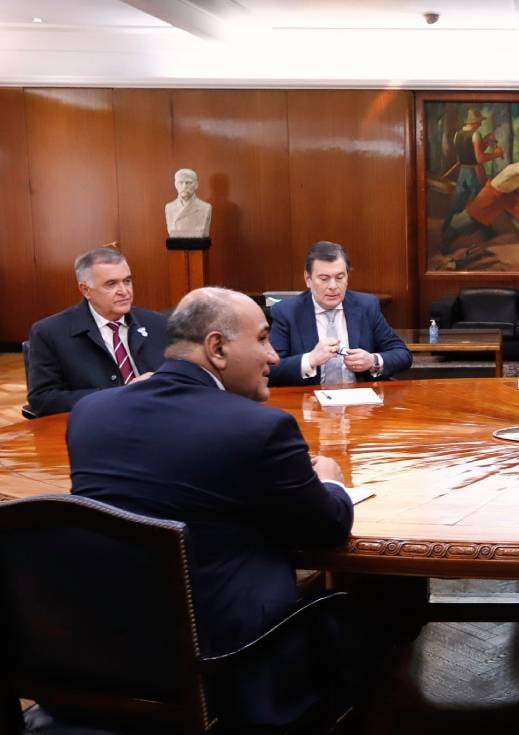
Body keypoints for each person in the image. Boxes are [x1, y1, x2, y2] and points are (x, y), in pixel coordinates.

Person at [67, 287, 354, 726]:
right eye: (261, 339)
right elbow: (327, 528)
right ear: (217, 347)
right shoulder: (260, 428)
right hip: (224, 656)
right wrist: (331, 483)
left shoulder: (91, 413)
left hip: (102, 646)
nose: (275, 356)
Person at [26, 247, 167, 417]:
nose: (124, 291)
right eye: (111, 284)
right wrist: (118, 394)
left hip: (158, 416)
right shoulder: (50, 333)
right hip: (100, 422)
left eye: (127, 281)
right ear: (85, 290)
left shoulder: (157, 323)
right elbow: (43, 399)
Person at [269, 241, 412, 386]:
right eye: (324, 279)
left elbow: (402, 354)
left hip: (360, 402)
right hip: (309, 401)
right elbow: (269, 369)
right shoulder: (286, 312)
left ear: (347, 277)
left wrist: (372, 361)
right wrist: (310, 360)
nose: (333, 286)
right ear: (308, 279)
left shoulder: (366, 306)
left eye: (339, 277)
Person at [441, 108, 503, 230]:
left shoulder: (457, 134)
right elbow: (479, 159)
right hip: (474, 173)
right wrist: (497, 154)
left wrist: (485, 141)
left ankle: (445, 227)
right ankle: (485, 232)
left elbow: (467, 156)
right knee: (481, 203)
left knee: (457, 203)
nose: (480, 124)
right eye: (479, 121)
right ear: (474, 122)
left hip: (463, 173)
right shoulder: (475, 134)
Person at [164, 168, 212, 238]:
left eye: (188, 182)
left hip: (198, 245)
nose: (184, 186)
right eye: (180, 182)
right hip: (177, 246)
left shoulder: (205, 208)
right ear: (175, 185)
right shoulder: (169, 207)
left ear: (196, 185)